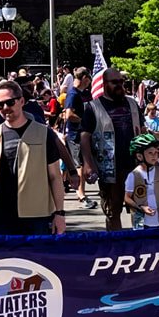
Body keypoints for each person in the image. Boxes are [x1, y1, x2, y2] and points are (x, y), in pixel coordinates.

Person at [0, 81, 66, 236]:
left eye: (10, 102)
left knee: (38, 259)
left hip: (36, 216)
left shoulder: (43, 133)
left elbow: (55, 177)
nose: (6, 108)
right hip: (0, 216)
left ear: (22, 101)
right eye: (0, 105)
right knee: (4, 260)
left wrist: (59, 213)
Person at [80, 68, 145, 231]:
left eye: (121, 81)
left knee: (140, 206)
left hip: (135, 165)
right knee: (112, 210)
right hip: (109, 168)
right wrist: (88, 164)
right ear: (105, 84)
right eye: (115, 82)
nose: (119, 85)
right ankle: (116, 247)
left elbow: (143, 130)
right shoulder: (93, 107)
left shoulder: (132, 103)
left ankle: (138, 244)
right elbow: (84, 137)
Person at [63, 67, 97, 210]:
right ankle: (81, 195)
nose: (89, 82)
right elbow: (68, 114)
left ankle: (80, 192)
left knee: (82, 163)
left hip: (81, 134)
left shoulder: (84, 94)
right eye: (88, 79)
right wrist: (83, 121)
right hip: (74, 134)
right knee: (79, 165)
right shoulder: (73, 94)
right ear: (84, 78)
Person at [124, 134, 159, 230]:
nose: (154, 156)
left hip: (158, 220)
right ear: (139, 156)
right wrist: (141, 208)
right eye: (150, 153)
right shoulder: (134, 175)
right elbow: (127, 198)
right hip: (141, 222)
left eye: (156, 152)